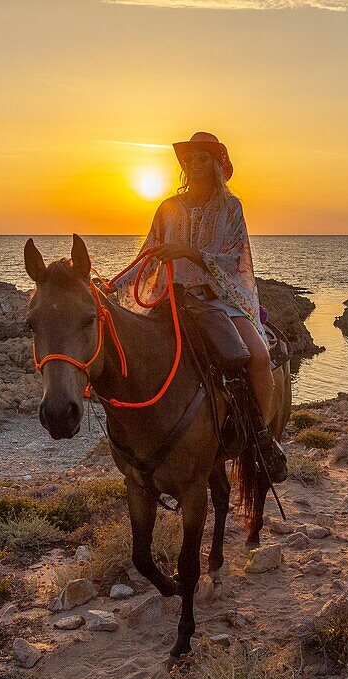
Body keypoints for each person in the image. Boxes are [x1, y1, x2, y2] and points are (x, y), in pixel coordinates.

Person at [111, 131, 288, 482]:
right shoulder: (167, 209)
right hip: (173, 298)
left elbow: (235, 258)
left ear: (217, 164)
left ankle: (262, 439)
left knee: (259, 357)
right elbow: (147, 253)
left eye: (201, 157)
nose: (192, 163)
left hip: (219, 300)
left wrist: (190, 253)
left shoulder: (230, 209)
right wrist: (111, 286)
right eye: (189, 157)